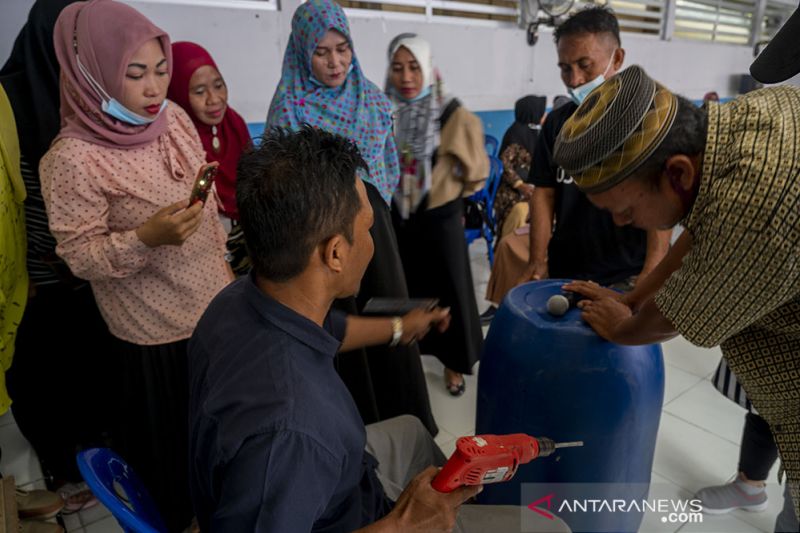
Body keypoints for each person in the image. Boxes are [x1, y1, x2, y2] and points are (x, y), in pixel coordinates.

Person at [188, 126, 569, 533]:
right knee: (550, 529)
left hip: (345, 479)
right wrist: (403, 525)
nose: (373, 240)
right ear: (335, 253)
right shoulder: (290, 431)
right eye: (368, 226)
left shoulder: (240, 300)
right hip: (347, 513)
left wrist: (400, 327)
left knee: (411, 431)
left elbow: (331, 330)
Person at [554, 63, 800, 532]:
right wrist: (632, 297)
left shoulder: (757, 205)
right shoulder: (742, 125)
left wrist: (623, 329)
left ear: (677, 173)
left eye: (626, 210)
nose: (621, 223)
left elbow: (677, 316)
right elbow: (702, 227)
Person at [41, 1, 232, 529]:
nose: (154, 88)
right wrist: (146, 238)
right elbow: (80, 257)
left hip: (214, 309)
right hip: (157, 338)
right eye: (135, 73)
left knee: (220, 440)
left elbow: (204, 202)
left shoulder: (172, 118)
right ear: (93, 74)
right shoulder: (73, 159)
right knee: (176, 456)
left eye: (161, 70)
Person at [267, 0, 437, 431]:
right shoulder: (289, 106)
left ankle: (405, 421)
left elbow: (388, 163)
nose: (335, 62)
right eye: (321, 52)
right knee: (339, 327)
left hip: (373, 226)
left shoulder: (373, 99)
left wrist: (373, 208)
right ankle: (354, 429)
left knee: (386, 312)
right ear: (302, 51)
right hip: (321, 237)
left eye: (342, 49)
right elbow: (281, 183)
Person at [484, 5, 670, 312]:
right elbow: (544, 194)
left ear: (617, 59)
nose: (574, 80)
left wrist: (651, 271)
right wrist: (537, 260)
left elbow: (660, 201)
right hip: (566, 270)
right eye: (564, 68)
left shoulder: (646, 122)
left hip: (625, 274)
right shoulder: (557, 125)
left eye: (585, 65)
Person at [0, 0, 105, 512]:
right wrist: (36, 267)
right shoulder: (11, 102)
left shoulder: (90, 90)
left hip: (88, 269)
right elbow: (15, 199)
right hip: (36, 276)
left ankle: (93, 459)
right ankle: (60, 469)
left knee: (88, 366)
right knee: (42, 374)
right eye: (72, 43)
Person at [385, 34, 486, 396]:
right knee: (407, 289)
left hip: (440, 219)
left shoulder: (450, 112)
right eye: (397, 68)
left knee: (449, 293)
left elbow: (476, 171)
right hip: (400, 218)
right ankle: (410, 351)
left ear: (428, 68)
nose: (406, 77)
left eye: (414, 67)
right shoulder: (386, 109)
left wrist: (447, 191)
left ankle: (453, 365)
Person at [168, 41, 252, 274]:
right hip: (202, 247)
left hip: (246, 234)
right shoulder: (176, 142)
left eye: (218, 85)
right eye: (199, 92)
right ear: (177, 93)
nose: (214, 99)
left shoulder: (234, 124)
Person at [494, 95, 546, 238]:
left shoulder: (535, 134)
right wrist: (520, 185)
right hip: (511, 192)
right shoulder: (516, 134)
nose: (544, 116)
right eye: (541, 112)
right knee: (522, 210)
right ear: (532, 113)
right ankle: (509, 245)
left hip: (531, 189)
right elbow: (504, 164)